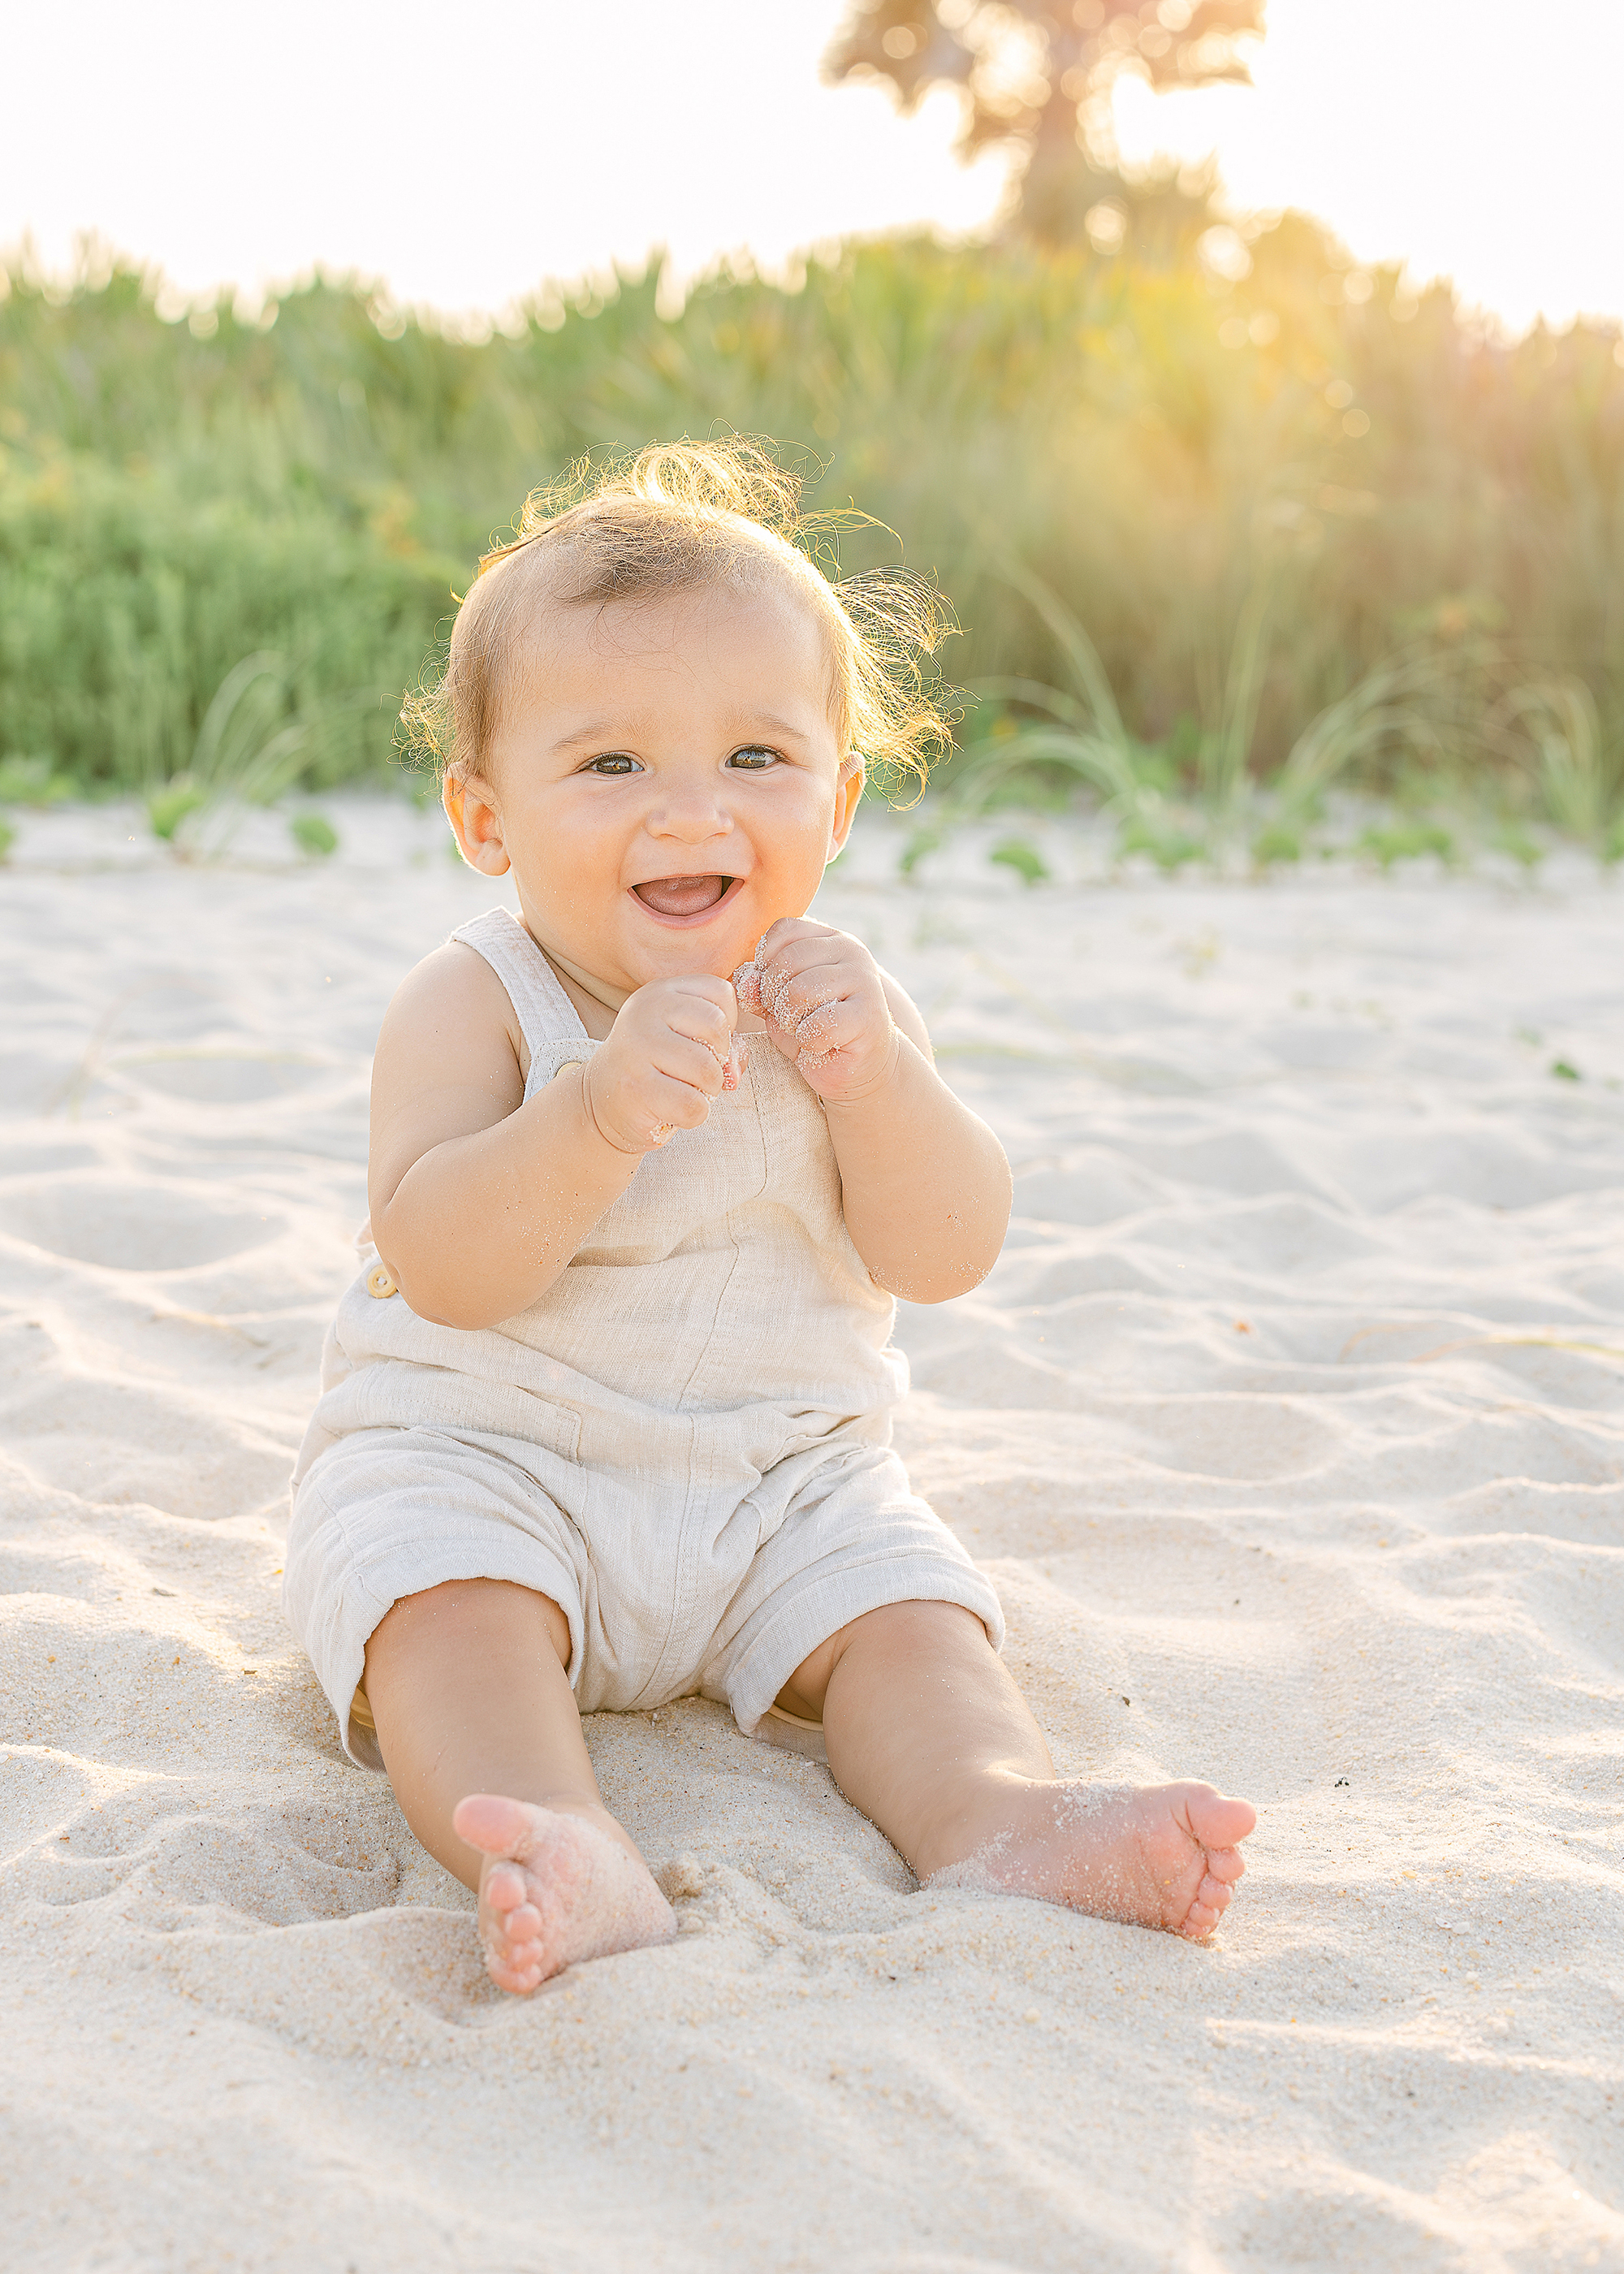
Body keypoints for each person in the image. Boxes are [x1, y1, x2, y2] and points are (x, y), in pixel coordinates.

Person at [282, 441, 1255, 1992]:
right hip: (491, 1461)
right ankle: (554, 1835)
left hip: (778, 1482)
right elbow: (444, 1266)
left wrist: (877, 1089)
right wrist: (591, 1116)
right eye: (610, 767)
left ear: (843, 796)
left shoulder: (840, 1008)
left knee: (911, 1615)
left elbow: (946, 1252)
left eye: (755, 759)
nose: (688, 811)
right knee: (440, 1611)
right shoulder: (477, 1004)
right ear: (485, 818)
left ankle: (992, 1815)